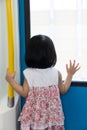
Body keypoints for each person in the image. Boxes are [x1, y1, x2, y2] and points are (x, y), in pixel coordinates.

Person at [5, 34, 80, 130]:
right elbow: (63, 90)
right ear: (52, 54)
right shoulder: (56, 73)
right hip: (52, 119)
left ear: (30, 54)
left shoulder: (29, 73)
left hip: (34, 118)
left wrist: (11, 81)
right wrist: (70, 75)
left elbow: (24, 92)